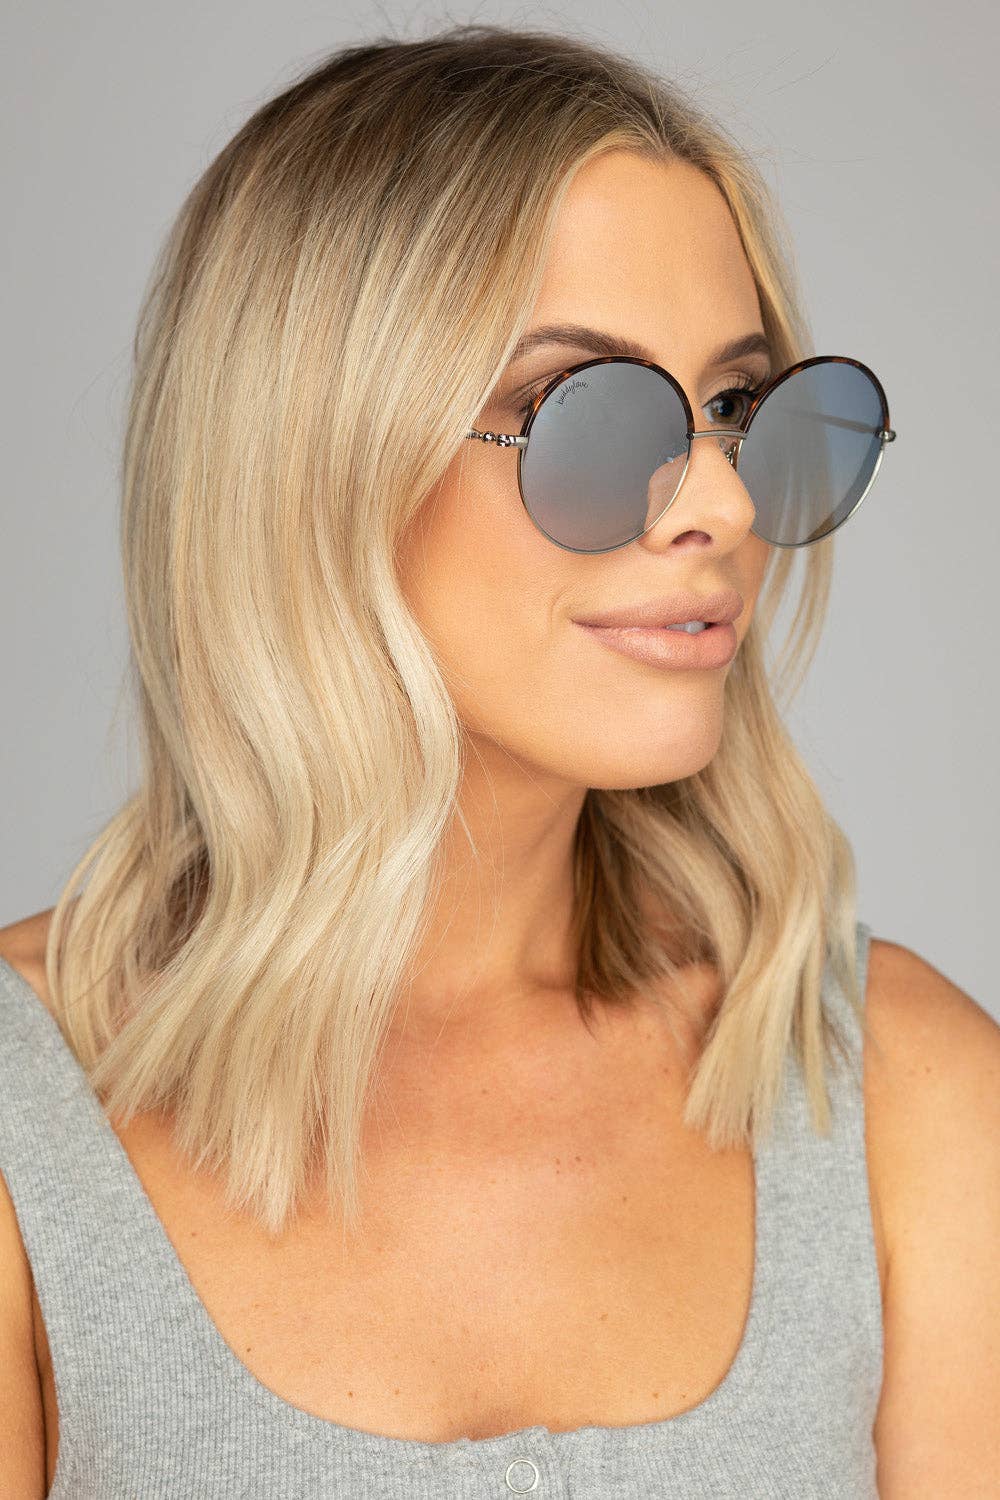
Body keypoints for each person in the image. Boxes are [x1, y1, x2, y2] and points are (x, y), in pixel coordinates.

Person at [1, 22, 997, 1500]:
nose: (722, 504)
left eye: (739, 409)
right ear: (316, 464)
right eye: (580, 413)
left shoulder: (904, 1094)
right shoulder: (29, 1128)